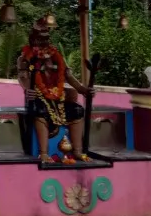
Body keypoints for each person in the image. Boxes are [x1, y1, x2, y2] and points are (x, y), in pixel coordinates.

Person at [16, 18, 93, 164]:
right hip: (37, 96)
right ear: (32, 38)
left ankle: (77, 151)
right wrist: (27, 90)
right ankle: (43, 153)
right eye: (39, 38)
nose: (42, 42)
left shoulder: (55, 56)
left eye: (45, 38)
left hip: (59, 97)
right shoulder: (25, 57)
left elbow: (68, 75)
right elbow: (23, 77)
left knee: (77, 110)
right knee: (40, 110)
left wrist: (83, 89)